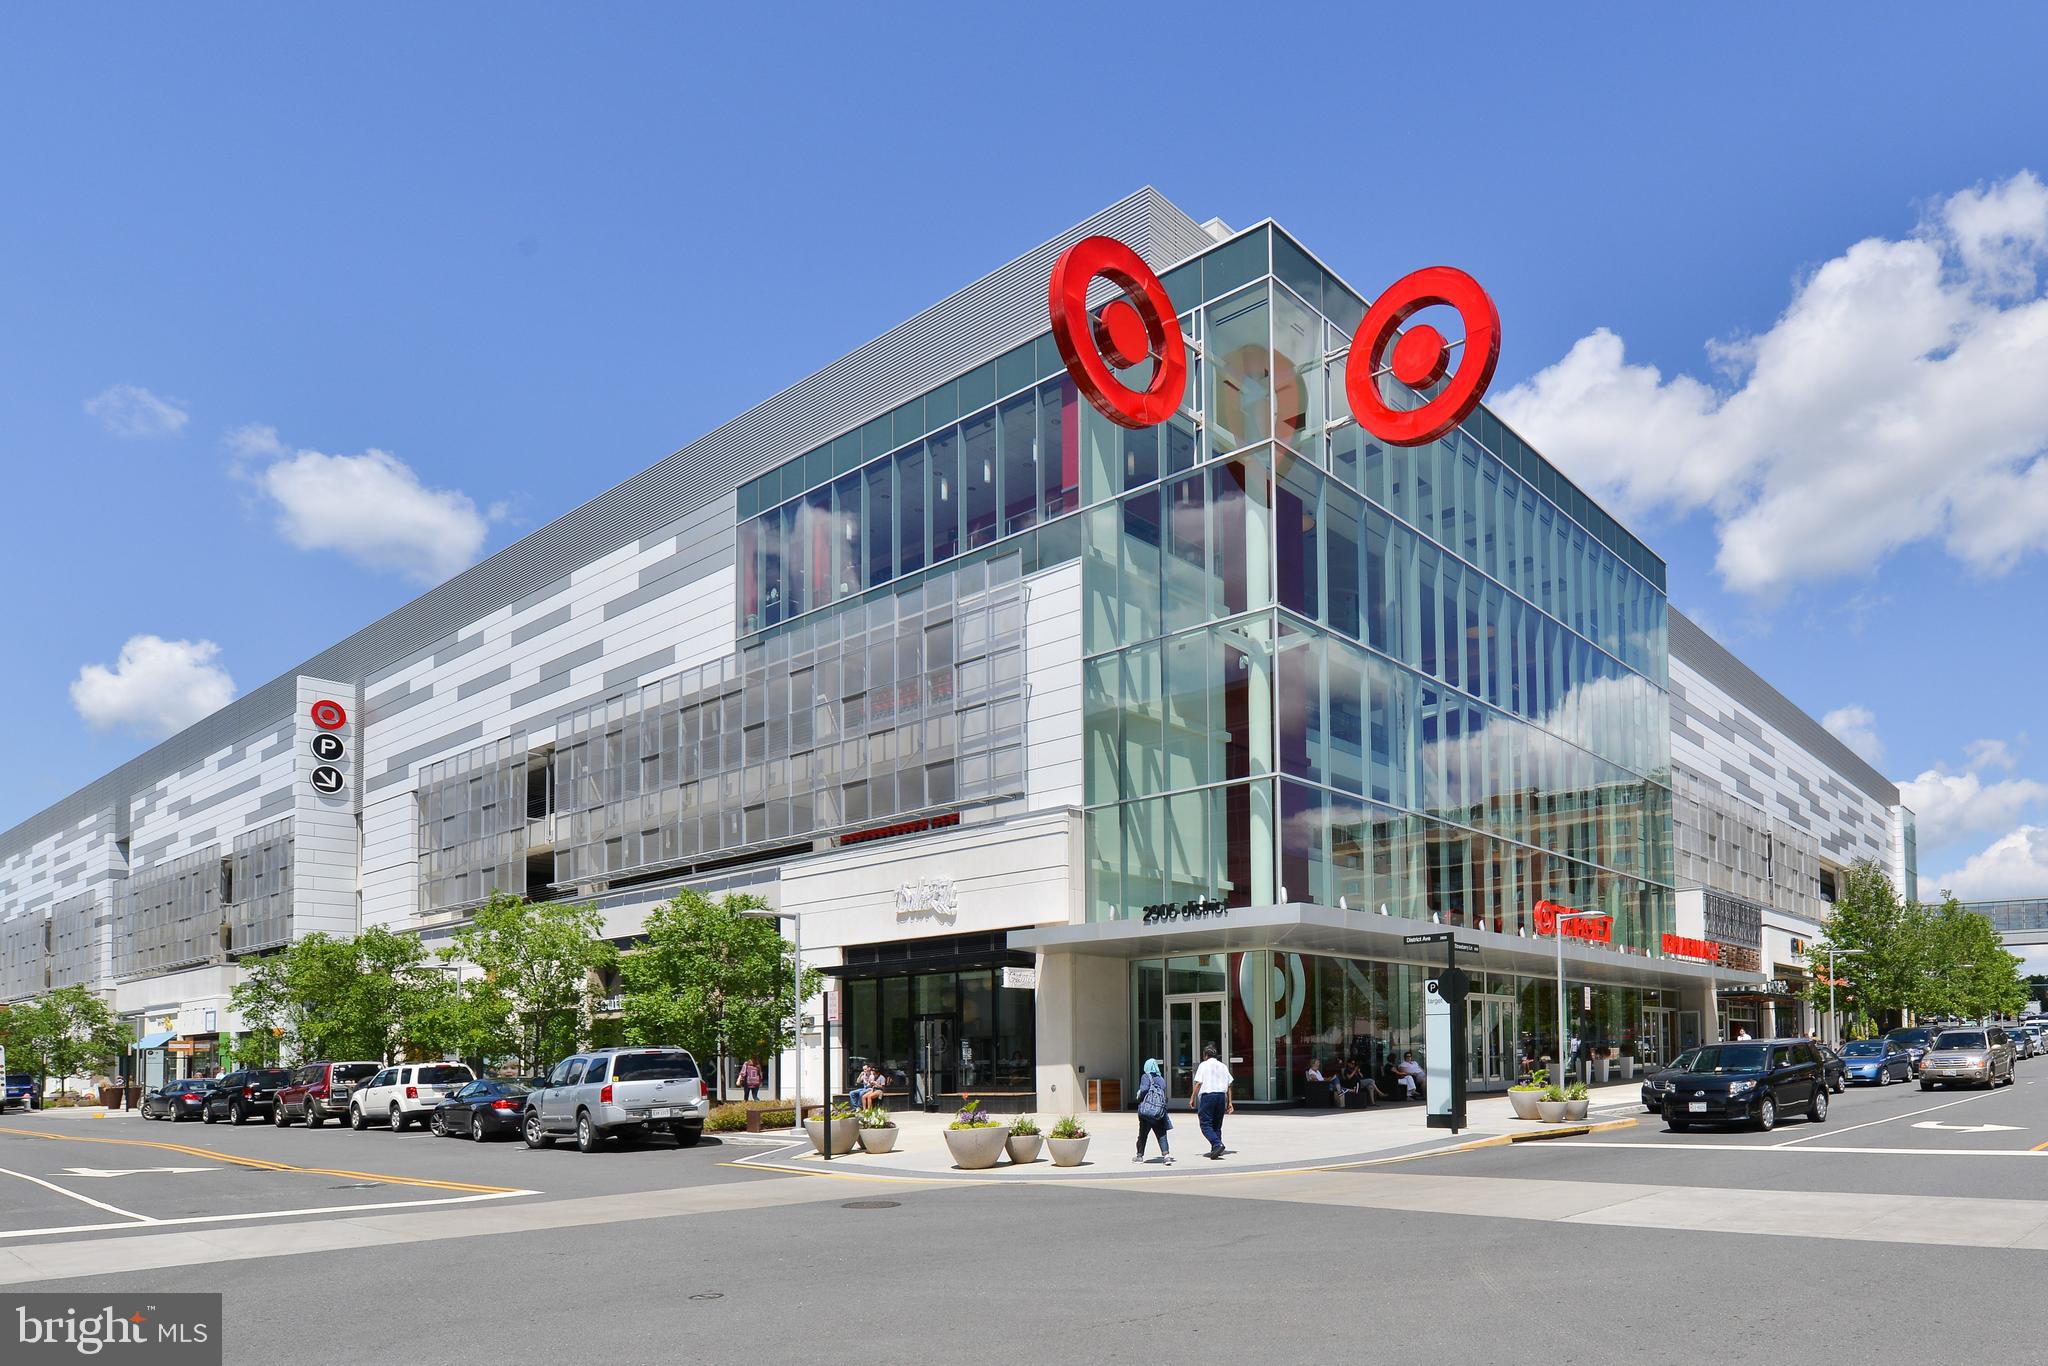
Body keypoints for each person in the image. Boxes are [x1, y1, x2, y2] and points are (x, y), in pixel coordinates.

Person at [1191, 1042, 1233, 1159]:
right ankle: (1216, 1150)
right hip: (1221, 1096)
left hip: (1208, 1096)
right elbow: (1229, 1085)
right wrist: (1229, 1102)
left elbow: (1199, 1082)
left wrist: (1192, 1098)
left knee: (1205, 1124)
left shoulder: (1203, 1065)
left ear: (1205, 1055)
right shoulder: (1223, 1066)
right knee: (1217, 1125)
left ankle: (1217, 1144)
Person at [1133, 1057, 1173, 1164]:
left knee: (1143, 1134)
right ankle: (1166, 1156)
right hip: (1159, 1112)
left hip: (1147, 1111)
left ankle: (1139, 1156)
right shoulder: (1161, 1079)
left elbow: (1144, 1089)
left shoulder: (1146, 1076)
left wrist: (1139, 1094)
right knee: (1161, 1134)